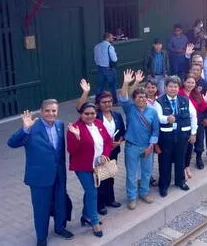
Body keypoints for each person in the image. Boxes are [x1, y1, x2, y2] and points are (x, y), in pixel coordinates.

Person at [7, 100, 75, 246]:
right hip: (39, 177)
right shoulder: (32, 127)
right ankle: (41, 237)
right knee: (41, 208)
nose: (51, 114)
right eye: (47, 111)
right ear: (41, 111)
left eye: (54, 111)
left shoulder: (59, 125)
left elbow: (59, 151)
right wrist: (24, 128)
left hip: (58, 174)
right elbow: (12, 143)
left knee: (60, 203)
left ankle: (60, 228)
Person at [76, 81, 126, 216]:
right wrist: (85, 92)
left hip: (113, 150)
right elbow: (80, 108)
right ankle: (100, 204)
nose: (108, 104)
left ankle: (110, 199)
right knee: (99, 178)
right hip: (98, 153)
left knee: (110, 175)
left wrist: (120, 141)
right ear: (98, 104)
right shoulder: (94, 116)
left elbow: (122, 131)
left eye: (109, 101)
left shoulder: (117, 115)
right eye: (104, 102)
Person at [66, 102, 113, 238]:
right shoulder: (74, 128)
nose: (90, 116)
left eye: (92, 113)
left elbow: (108, 142)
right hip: (83, 166)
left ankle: (86, 216)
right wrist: (77, 137)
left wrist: (105, 155)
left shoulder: (98, 123)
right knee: (92, 191)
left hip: (98, 164)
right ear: (81, 114)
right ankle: (94, 221)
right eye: (86, 113)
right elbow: (71, 150)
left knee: (91, 191)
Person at [119, 70, 160, 210]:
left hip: (147, 146)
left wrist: (151, 146)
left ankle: (144, 192)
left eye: (144, 97)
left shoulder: (152, 112)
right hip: (131, 146)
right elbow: (123, 97)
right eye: (138, 97)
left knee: (147, 172)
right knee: (131, 174)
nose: (141, 99)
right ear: (134, 98)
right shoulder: (129, 108)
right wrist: (127, 82)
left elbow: (155, 131)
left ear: (147, 98)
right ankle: (131, 197)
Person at [155, 76, 197, 197]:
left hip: (182, 136)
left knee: (180, 160)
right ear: (165, 87)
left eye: (175, 86)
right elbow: (158, 117)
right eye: (170, 86)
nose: (173, 89)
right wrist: (167, 118)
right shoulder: (159, 101)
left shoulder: (185, 100)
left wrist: (193, 133)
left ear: (179, 88)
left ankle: (180, 181)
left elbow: (193, 116)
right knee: (165, 162)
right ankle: (163, 185)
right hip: (166, 138)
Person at [179, 74, 207, 178]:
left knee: (190, 146)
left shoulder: (196, 94)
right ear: (184, 83)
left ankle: (187, 166)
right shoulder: (179, 93)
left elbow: (201, 108)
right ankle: (182, 167)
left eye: (192, 83)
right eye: (188, 82)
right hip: (182, 125)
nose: (190, 84)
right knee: (183, 147)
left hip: (195, 123)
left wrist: (205, 101)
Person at [94, 32, 118, 104]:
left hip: (100, 68)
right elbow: (114, 59)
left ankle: (97, 101)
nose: (112, 38)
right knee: (112, 86)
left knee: (100, 86)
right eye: (111, 37)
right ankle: (114, 102)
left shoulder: (97, 46)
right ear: (107, 38)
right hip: (109, 69)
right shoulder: (109, 47)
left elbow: (95, 58)